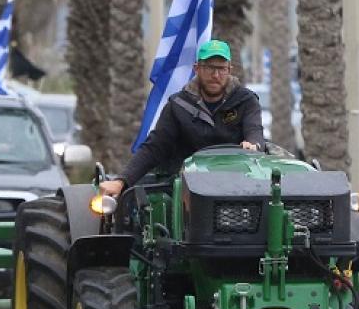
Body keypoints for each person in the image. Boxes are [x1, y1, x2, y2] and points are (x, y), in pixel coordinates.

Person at [99, 39, 265, 197]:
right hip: (185, 185)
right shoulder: (178, 105)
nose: (215, 75)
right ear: (197, 68)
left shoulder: (246, 100)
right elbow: (155, 147)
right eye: (209, 67)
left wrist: (253, 145)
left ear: (229, 70)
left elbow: (254, 131)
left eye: (221, 69)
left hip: (238, 183)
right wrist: (121, 181)